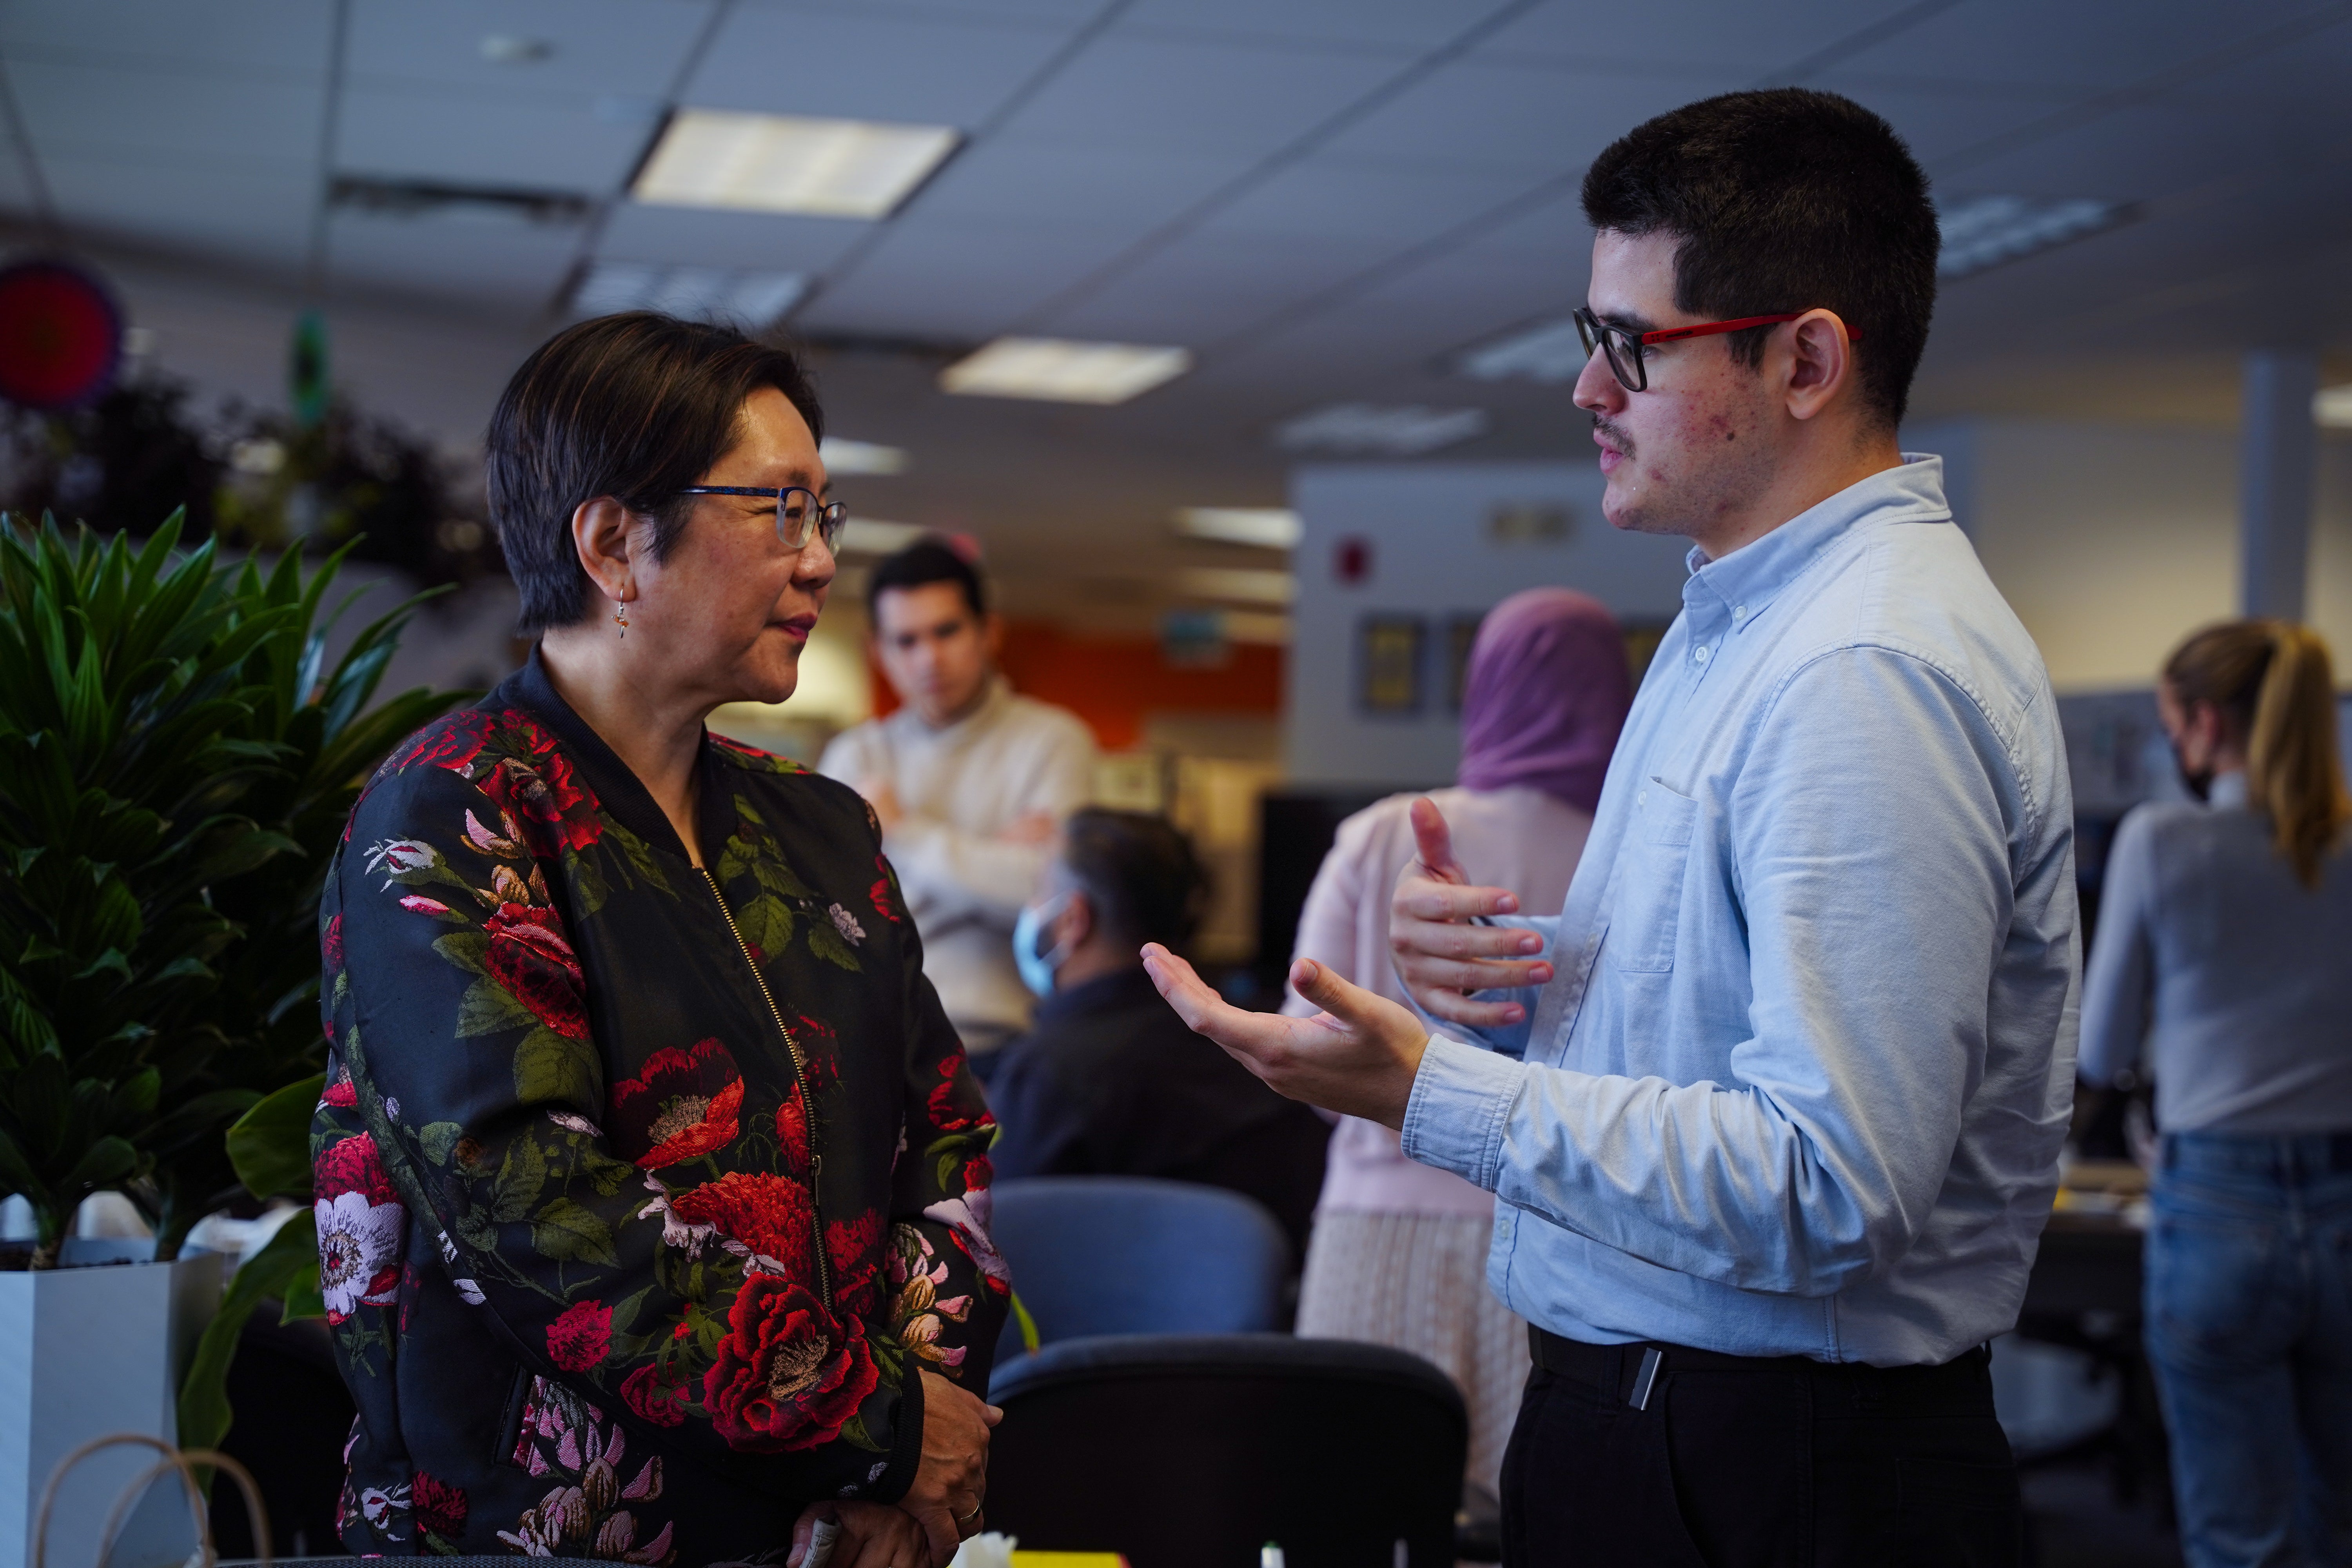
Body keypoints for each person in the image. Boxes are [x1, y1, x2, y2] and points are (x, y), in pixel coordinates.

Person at [1143, 88, 2078, 1567]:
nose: (1586, 388)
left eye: (1628, 344)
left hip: (1768, 1458)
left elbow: (1821, 1184)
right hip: (1678, 1420)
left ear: (1804, 360)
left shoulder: (1857, 667)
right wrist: (1516, 1014)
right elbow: (1701, 1062)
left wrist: (1432, 1091)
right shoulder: (1736, 627)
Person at [316, 312, 1006, 1568]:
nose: (816, 563)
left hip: (839, 1532)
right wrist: (873, 1425)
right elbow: (529, 1198)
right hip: (539, 1538)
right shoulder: (454, 810)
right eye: (777, 511)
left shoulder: (821, 829)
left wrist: (897, 1466)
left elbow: (943, 1142)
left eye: (823, 515)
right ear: (613, 543)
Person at [1284, 586, 1631, 1532]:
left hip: (1376, 1232)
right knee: (1536, 1525)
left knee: (1358, 1520)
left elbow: (1312, 1057)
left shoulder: (1380, 833)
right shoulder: (1635, 852)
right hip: (1568, 1238)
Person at [2078, 620, 2352, 1568]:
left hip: (2217, 1204)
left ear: (2200, 722)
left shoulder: (2162, 839)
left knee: (2242, 1539)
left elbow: (2101, 1044)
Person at [986, 809, 1330, 1255]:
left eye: (1039, 892)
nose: (1031, 909)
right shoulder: (1268, 1035)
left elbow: (998, 1248)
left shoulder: (1049, 1071)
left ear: (1073, 920)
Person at [820, 541, 1096, 1069]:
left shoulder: (1055, 741)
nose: (928, 658)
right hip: (879, 1048)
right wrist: (993, 861)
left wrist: (900, 835)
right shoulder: (857, 755)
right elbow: (838, 918)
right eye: (906, 640)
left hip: (1010, 1052)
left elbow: (1053, 908)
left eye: (946, 631)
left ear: (989, 632)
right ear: (879, 651)